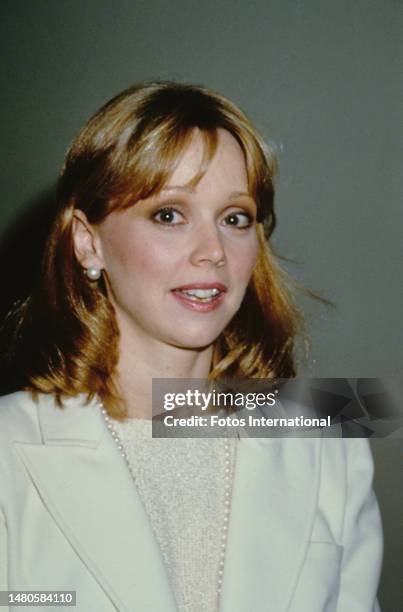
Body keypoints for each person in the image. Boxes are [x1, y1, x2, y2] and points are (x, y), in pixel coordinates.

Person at [0, 82, 382, 611]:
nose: (214, 252)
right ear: (89, 242)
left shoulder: (331, 434)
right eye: (169, 214)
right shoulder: (9, 445)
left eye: (235, 218)